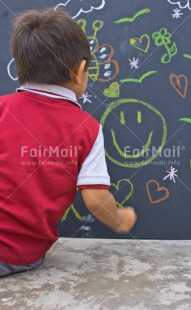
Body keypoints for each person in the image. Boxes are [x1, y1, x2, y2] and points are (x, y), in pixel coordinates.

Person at [0, 8, 137, 277]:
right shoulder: (87, 129)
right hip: (19, 255)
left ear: (19, 67)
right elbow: (96, 199)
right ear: (80, 71)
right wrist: (119, 219)